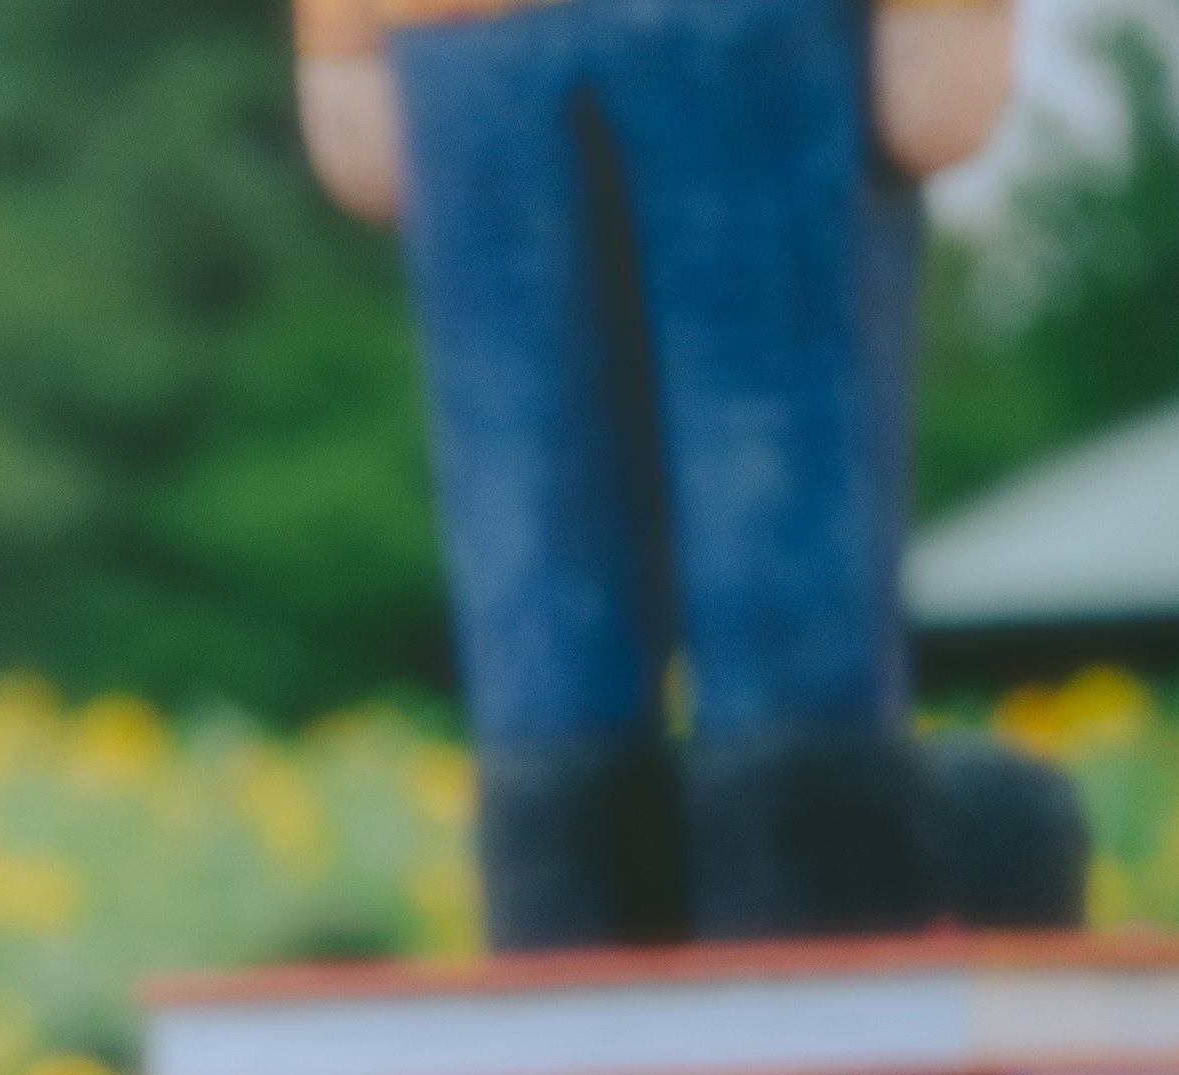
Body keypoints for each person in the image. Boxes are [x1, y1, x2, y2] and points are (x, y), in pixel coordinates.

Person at [293, 0, 1090, 945]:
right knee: (734, 459)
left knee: (563, 504)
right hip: (652, 41)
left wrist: (338, 43)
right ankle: (756, 887)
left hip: (494, 43)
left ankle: (622, 906)